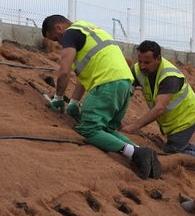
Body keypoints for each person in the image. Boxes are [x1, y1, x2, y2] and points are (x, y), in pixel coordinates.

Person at [41, 15, 160, 179]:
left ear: (59, 28)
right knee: (107, 130)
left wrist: (58, 98)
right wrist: (74, 102)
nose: (59, 43)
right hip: (124, 84)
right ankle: (143, 153)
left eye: (56, 38)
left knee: (90, 129)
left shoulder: (69, 34)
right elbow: (85, 76)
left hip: (107, 84)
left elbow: (63, 72)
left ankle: (135, 153)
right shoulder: (89, 29)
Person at [121, 40, 195, 177]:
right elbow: (127, 91)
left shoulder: (169, 76)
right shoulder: (138, 69)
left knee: (174, 151)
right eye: (140, 61)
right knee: (179, 146)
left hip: (186, 117)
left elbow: (159, 108)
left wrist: (134, 127)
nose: (142, 66)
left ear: (158, 59)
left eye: (147, 62)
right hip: (171, 119)